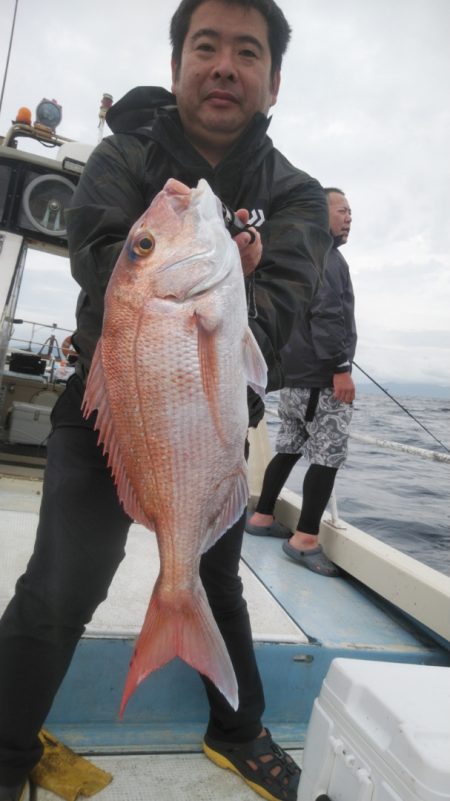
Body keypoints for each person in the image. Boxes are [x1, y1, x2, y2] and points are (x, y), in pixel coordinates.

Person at [0, 3, 332, 801]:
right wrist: (197, 267)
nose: (224, 65)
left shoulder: (297, 196)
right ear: (179, 62)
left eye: (246, 52)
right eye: (205, 46)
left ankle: (237, 723)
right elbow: (102, 252)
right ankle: (5, 751)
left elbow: (284, 311)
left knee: (216, 580)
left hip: (211, 424)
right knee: (61, 583)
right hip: (110, 411)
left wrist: (233, 286)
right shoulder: (126, 153)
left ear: (273, 80)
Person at [246, 188, 356, 577]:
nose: (349, 217)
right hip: (321, 379)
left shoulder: (303, 252)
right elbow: (327, 314)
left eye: (350, 212)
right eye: (342, 210)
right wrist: (341, 367)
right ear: (319, 212)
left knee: (290, 447)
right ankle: (305, 539)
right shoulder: (327, 256)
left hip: (293, 378)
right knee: (327, 456)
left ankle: (261, 517)